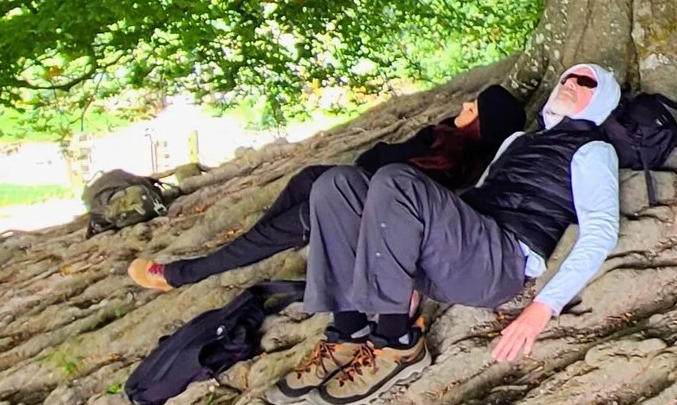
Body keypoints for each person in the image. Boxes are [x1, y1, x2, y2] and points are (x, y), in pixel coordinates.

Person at [265, 64, 626, 405]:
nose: (573, 83)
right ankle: (348, 329)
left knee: (396, 180)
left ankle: (397, 341)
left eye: (587, 82)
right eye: (570, 76)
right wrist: (407, 260)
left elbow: (601, 232)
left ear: (601, 100)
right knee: (337, 184)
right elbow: (478, 196)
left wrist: (543, 308)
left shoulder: (594, 150)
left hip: (497, 263)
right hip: (458, 249)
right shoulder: (519, 140)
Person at [127, 83, 524, 296]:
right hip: (350, 187)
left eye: (472, 108)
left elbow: (399, 187)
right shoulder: (448, 138)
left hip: (357, 207)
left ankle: (180, 275)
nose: (463, 107)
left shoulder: (454, 155)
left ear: (481, 125)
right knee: (306, 178)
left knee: (286, 224)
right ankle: (259, 240)